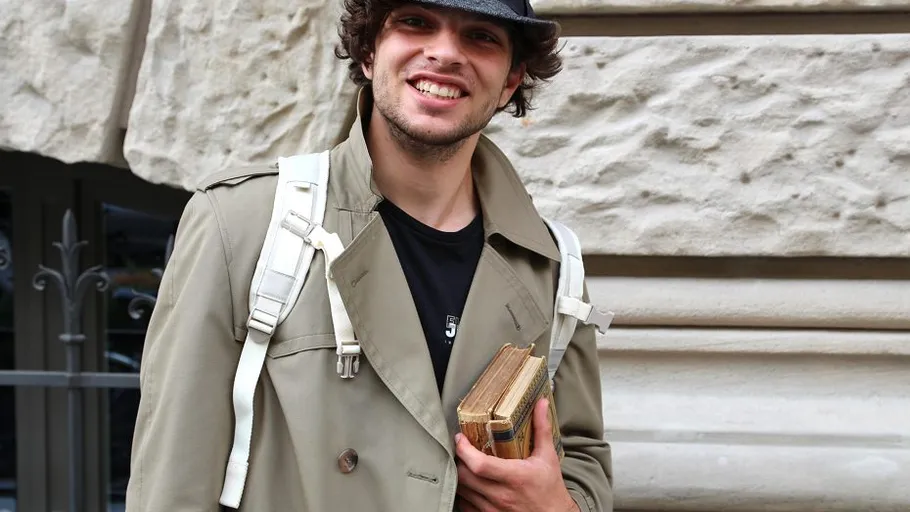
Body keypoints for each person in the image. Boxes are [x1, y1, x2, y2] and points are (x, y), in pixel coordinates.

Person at [125, 0, 613, 510]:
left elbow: (582, 461)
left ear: (511, 79)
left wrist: (555, 506)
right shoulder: (241, 225)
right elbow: (172, 482)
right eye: (416, 22)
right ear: (368, 52)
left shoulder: (553, 265)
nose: (445, 53)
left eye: (481, 36)